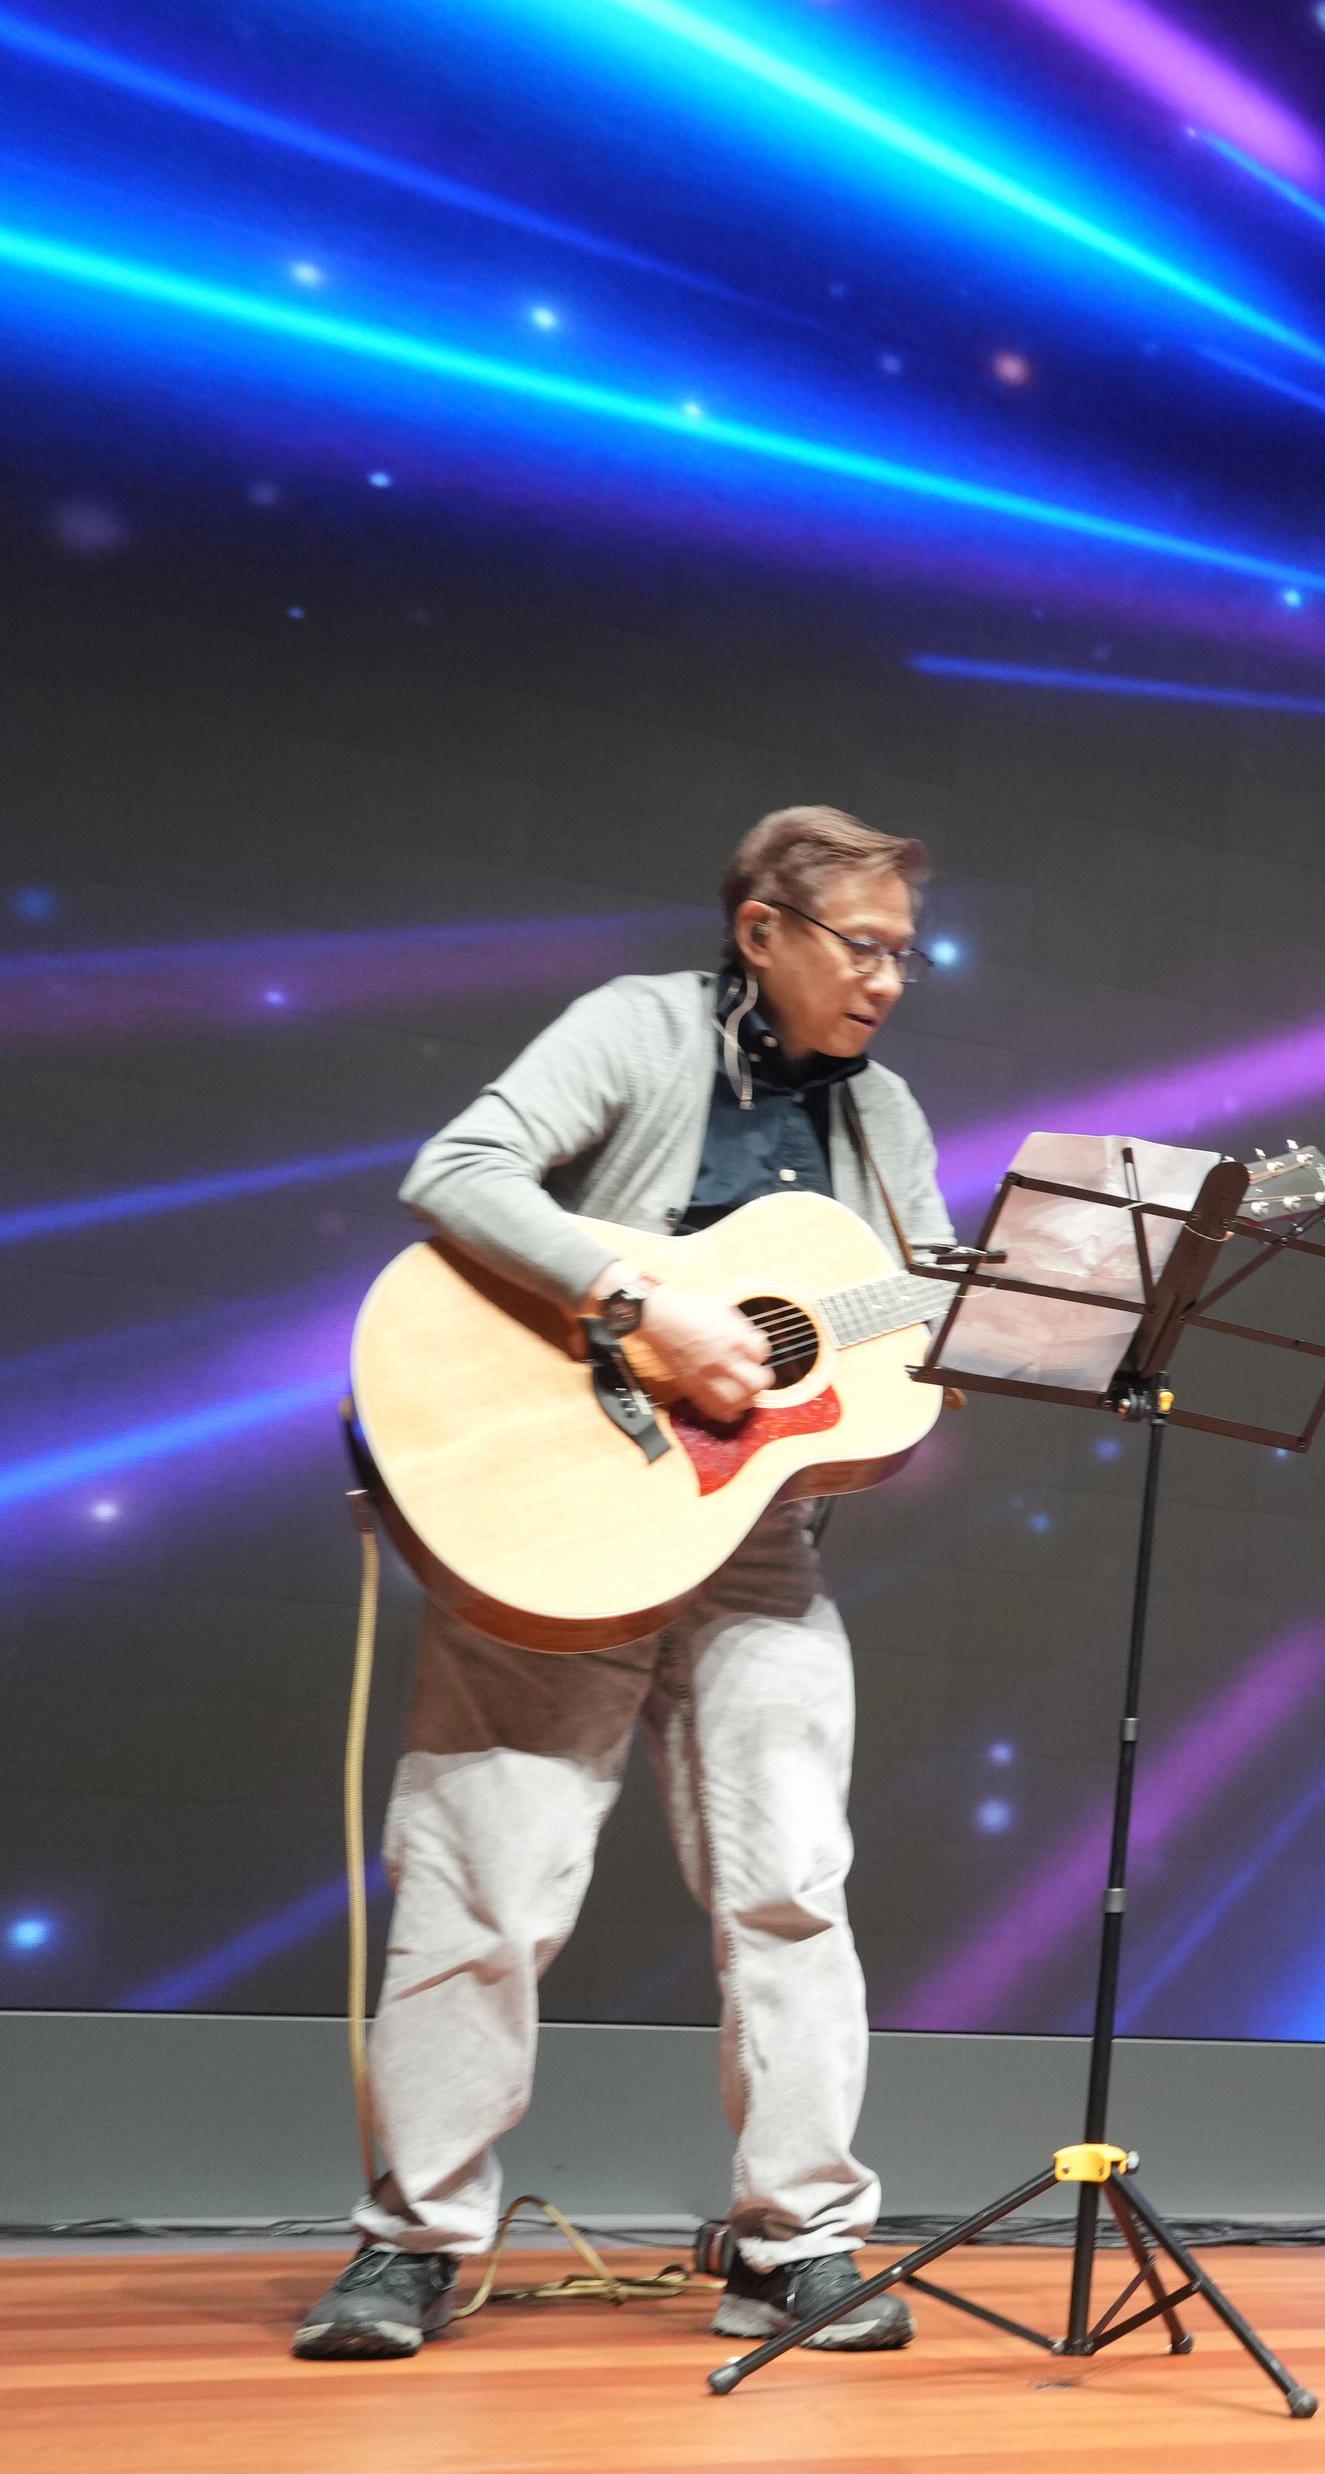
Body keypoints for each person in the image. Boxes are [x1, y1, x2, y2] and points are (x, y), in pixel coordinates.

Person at [295, 808, 953, 2362]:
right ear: (760, 932)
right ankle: (417, 2240)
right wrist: (643, 1299)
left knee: (794, 1884)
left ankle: (798, 2239)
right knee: (484, 1883)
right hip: (561, 1520)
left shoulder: (889, 1116)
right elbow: (457, 1171)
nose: (888, 983)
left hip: (760, 1545)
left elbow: (923, 1304)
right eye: (861, 947)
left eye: (905, 955)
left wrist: (992, 1338)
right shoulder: (636, 1026)